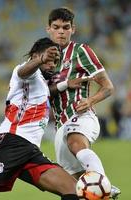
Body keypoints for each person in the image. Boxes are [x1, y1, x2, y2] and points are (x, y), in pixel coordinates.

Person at [0, 38, 84, 200]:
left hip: (30, 150)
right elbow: (23, 72)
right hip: (10, 141)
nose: (52, 65)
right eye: (50, 59)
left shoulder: (40, 82)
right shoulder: (26, 72)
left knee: (73, 189)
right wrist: (40, 60)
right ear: (35, 56)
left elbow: (45, 92)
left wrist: (65, 84)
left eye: (55, 61)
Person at [45, 7, 121, 199]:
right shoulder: (42, 58)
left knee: (76, 141)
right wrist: (64, 85)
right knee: (76, 187)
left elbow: (108, 87)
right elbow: (40, 92)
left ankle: (102, 181)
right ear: (48, 29)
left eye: (66, 27)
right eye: (56, 27)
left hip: (81, 115)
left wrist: (91, 100)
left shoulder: (81, 51)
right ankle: (100, 191)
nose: (61, 31)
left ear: (73, 29)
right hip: (60, 125)